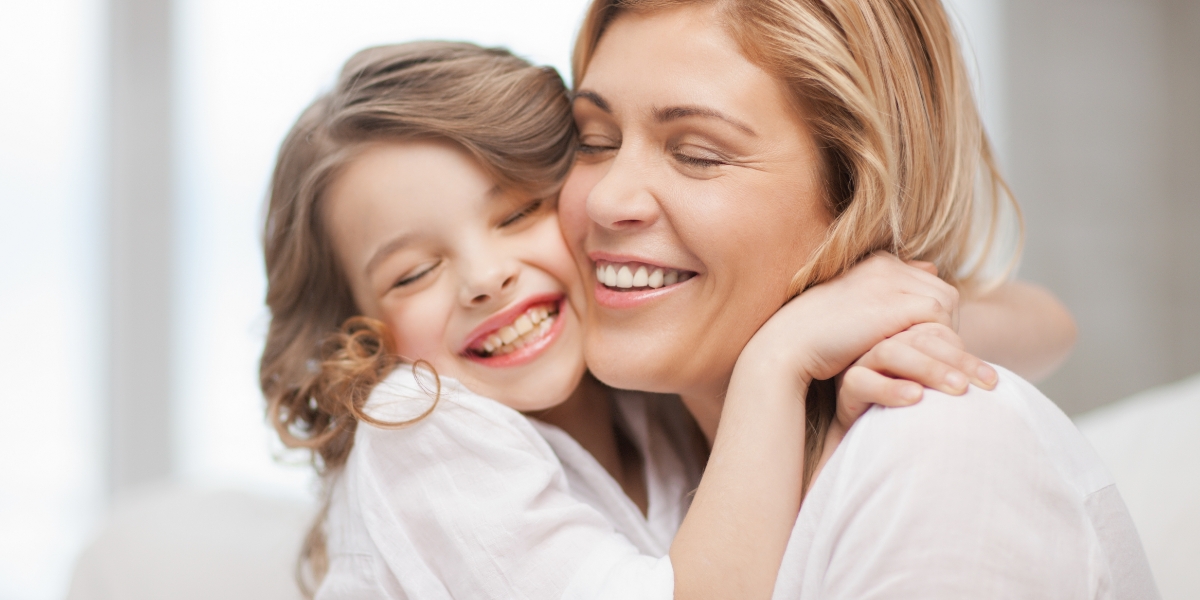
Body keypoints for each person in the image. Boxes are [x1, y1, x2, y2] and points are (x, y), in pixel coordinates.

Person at [258, 40, 1071, 599]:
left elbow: (1046, 327)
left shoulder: (640, 384)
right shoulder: (418, 421)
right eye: (413, 273)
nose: (484, 278)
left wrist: (873, 310)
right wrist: (778, 358)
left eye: (516, 214)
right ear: (359, 339)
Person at [562, 0, 1157, 597]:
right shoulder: (614, 447)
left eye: (698, 154)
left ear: (858, 196)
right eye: (593, 142)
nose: (607, 200)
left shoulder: (936, 456)